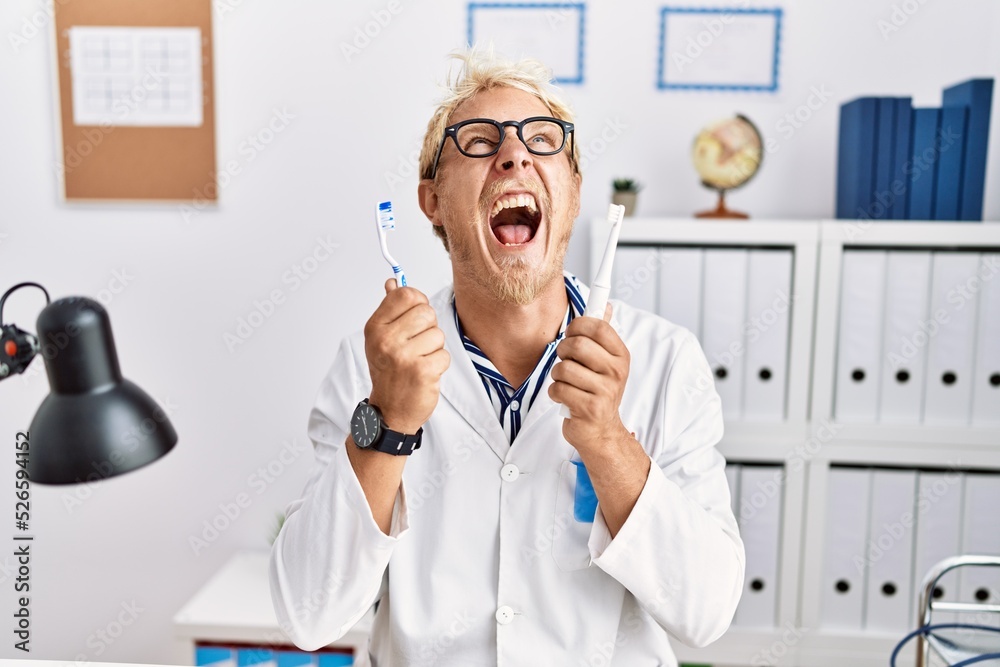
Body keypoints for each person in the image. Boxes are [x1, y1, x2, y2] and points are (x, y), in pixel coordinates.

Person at [270, 48, 745, 666]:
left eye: (543, 141)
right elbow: (310, 614)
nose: (515, 154)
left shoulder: (666, 360)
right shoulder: (375, 366)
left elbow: (705, 612)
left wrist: (608, 441)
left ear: (572, 194)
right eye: (477, 140)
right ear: (433, 202)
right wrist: (387, 422)